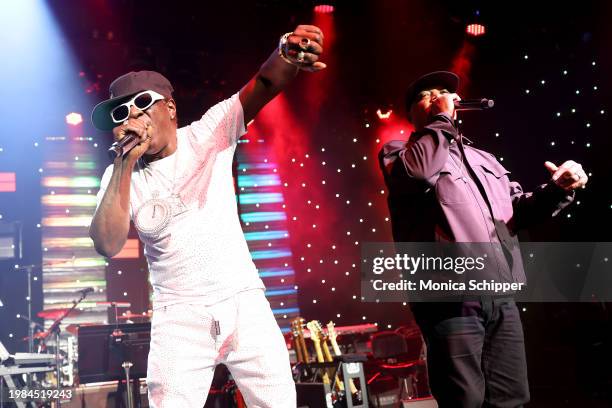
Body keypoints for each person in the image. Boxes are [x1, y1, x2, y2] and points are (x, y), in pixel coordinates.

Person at [89, 25, 325, 407]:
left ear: (170, 107)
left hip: (244, 303)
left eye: (141, 103)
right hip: (179, 319)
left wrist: (286, 53)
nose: (131, 115)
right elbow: (107, 243)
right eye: (121, 111)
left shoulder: (207, 135)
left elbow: (263, 84)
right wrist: (123, 164)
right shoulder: (121, 176)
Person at [378, 71, 588, 407]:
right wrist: (442, 119)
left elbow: (517, 213)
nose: (438, 97)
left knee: (511, 398)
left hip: (500, 294)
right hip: (449, 296)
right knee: (464, 400)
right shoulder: (399, 152)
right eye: (427, 94)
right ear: (410, 112)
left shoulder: (484, 158)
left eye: (444, 92)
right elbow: (417, 173)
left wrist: (557, 190)